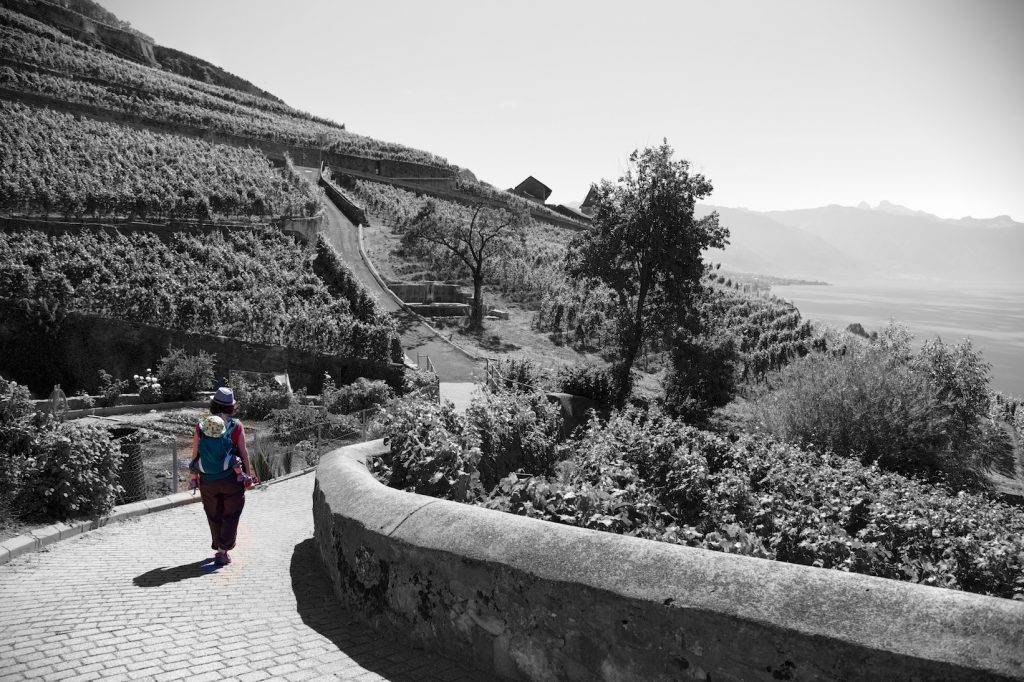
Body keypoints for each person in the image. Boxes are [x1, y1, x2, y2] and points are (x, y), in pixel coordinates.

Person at [190, 386, 258, 565]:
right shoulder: (236, 426)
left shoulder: (201, 426)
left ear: (213, 404)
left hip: (207, 479)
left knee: (213, 514)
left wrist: (193, 476)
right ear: (231, 407)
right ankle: (222, 551)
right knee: (231, 513)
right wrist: (248, 477)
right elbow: (244, 453)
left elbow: (195, 453)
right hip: (231, 478)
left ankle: (218, 545)